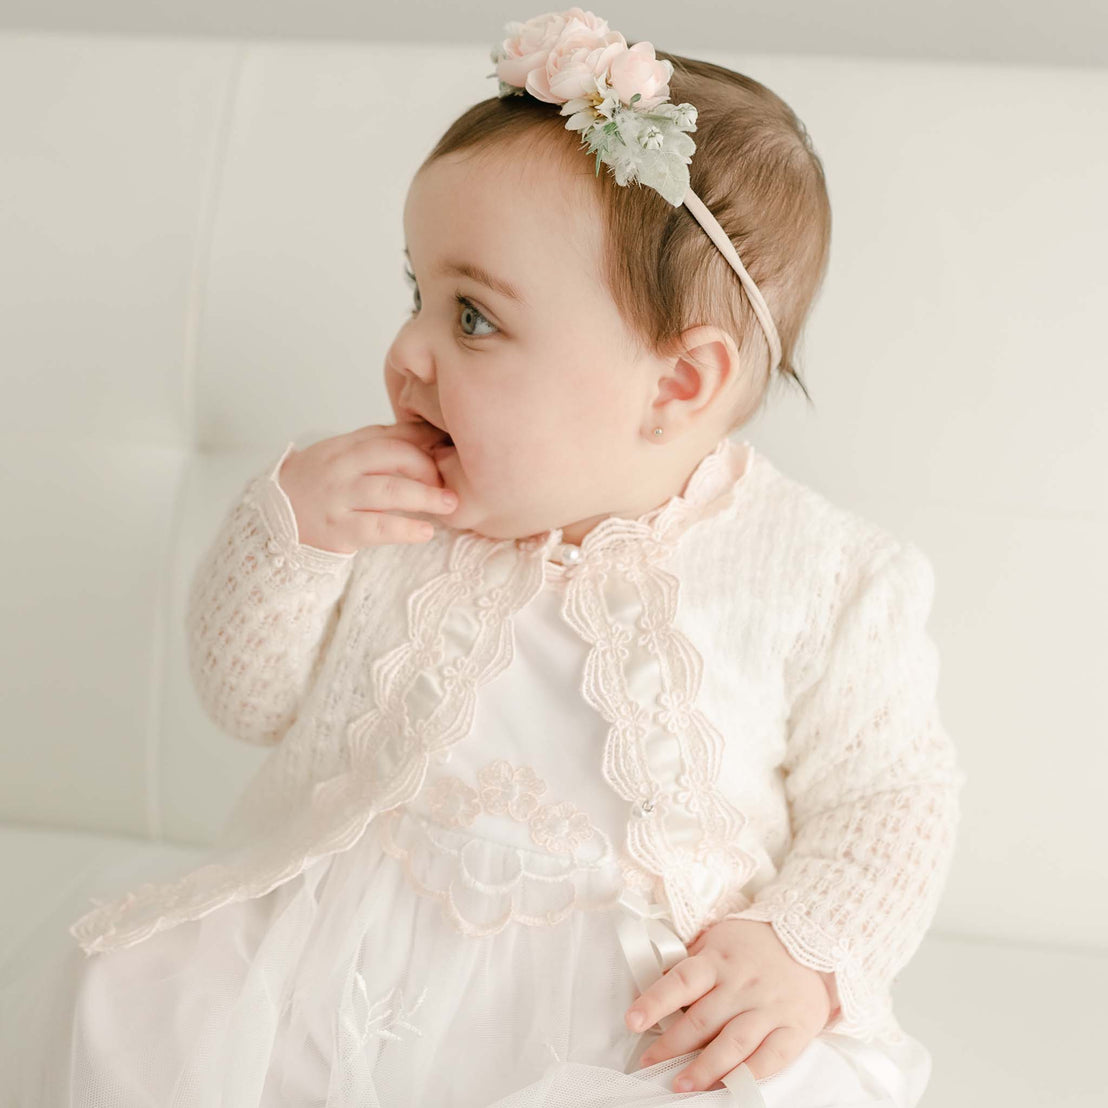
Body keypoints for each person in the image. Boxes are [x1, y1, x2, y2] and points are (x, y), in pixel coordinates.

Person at [0, 8, 966, 1106]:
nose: (406, 352)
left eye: (472, 318)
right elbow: (247, 698)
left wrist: (802, 944)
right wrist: (292, 537)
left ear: (677, 385)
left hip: (635, 1007)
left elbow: (893, 793)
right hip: (341, 959)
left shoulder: (825, 576)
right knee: (121, 992)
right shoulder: (395, 507)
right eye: (417, 293)